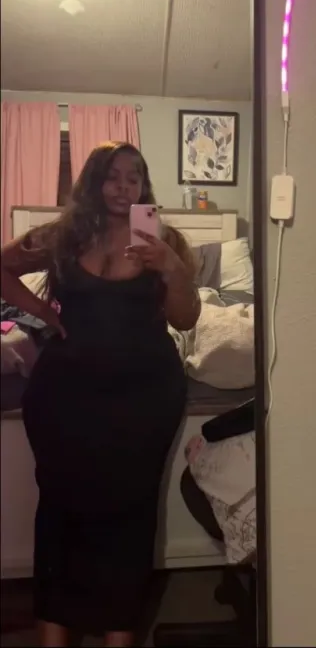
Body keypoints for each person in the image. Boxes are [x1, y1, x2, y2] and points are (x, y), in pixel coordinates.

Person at [0, 142, 201, 648]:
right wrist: (41, 313)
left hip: (143, 402)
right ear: (93, 181)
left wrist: (171, 267)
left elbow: (186, 319)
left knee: (130, 518)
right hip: (65, 400)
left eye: (134, 176)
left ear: (144, 185)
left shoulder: (164, 239)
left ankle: (118, 637)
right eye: (113, 175)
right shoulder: (64, 235)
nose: (123, 186)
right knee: (59, 514)